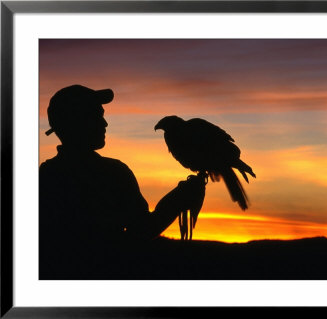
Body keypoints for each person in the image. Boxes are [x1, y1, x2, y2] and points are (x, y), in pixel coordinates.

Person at [39, 85, 205, 278]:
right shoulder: (111, 173)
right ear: (76, 122)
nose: (104, 123)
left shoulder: (46, 175)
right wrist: (180, 199)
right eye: (95, 115)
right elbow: (143, 229)